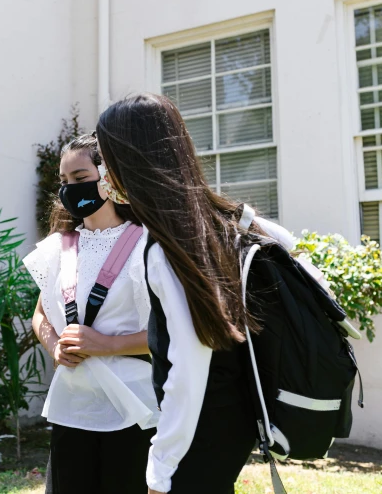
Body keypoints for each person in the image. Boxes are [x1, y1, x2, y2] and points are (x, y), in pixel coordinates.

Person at [95, 93, 295, 494]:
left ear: (130, 160)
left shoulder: (167, 246)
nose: (104, 172)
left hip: (198, 435)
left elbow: (187, 368)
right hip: (235, 422)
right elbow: (288, 243)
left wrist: (161, 470)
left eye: (106, 159)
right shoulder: (219, 223)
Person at [23, 134, 160, 494]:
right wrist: (54, 346)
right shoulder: (59, 246)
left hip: (132, 410)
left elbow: (171, 333)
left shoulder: (147, 245)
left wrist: (104, 344)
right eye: (65, 181)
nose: (70, 189)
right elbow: (41, 314)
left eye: (80, 178)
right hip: (73, 408)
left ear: (110, 177)